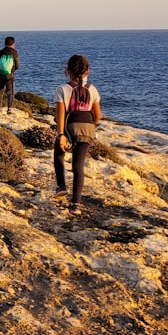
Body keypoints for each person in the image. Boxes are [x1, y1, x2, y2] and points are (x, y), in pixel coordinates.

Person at [53, 54, 101, 215]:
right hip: (88, 128)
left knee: (59, 154)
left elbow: (60, 114)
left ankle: (61, 187)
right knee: (78, 165)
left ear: (68, 71)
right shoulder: (92, 90)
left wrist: (61, 134)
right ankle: (76, 203)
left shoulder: (63, 89)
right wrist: (90, 127)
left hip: (70, 126)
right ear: (87, 71)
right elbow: (98, 115)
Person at [0, 37, 19, 114]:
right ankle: (9, 109)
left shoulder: (0, 52)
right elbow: (17, 65)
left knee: (0, 91)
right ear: (13, 43)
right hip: (9, 75)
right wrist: (12, 71)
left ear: (4, 43)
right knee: (10, 92)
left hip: (0, 74)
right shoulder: (14, 53)